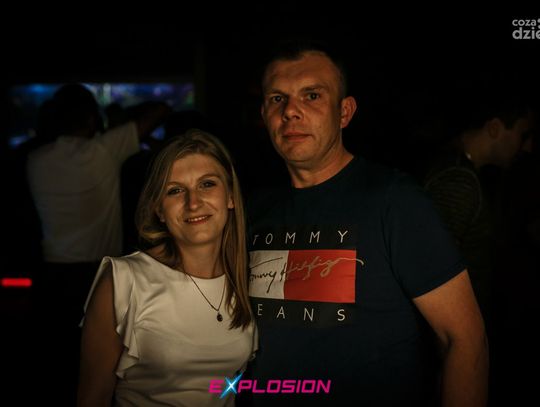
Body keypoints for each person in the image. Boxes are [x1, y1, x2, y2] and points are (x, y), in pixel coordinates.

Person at [245, 41, 488, 406]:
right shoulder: (253, 210)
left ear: (344, 112)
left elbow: (465, 340)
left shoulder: (394, 201)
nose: (291, 111)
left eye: (312, 95)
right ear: (264, 114)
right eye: (278, 99)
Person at [77, 129, 257, 406]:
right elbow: (92, 398)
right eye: (175, 191)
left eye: (207, 184)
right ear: (159, 210)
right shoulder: (123, 281)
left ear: (230, 196)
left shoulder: (248, 277)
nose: (193, 202)